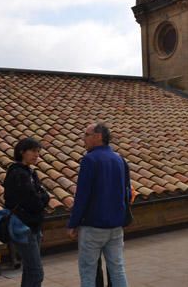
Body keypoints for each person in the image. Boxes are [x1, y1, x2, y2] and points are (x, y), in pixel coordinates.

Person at [68, 123, 129, 287]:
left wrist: (73, 223)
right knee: (117, 270)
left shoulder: (89, 160)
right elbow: (126, 192)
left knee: (88, 272)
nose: (83, 139)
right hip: (116, 226)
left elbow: (82, 195)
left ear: (98, 137)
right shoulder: (119, 159)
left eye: (86, 135)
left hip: (93, 226)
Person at [3, 137, 50, 287]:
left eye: (38, 152)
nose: (37, 155)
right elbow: (35, 202)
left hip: (33, 227)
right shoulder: (18, 174)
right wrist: (41, 198)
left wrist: (41, 197)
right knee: (36, 272)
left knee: (30, 269)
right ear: (22, 152)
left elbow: (44, 196)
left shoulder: (30, 173)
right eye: (33, 151)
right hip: (24, 227)